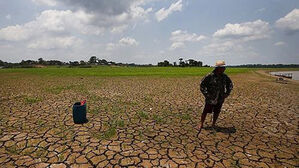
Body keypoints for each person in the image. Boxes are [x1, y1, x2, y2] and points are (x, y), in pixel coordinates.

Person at [197, 60, 233, 132]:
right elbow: (202, 85)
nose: (224, 69)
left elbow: (230, 85)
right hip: (210, 98)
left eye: (224, 67)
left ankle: (213, 124)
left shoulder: (224, 76)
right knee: (205, 111)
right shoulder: (209, 76)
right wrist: (207, 95)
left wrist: (227, 93)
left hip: (220, 98)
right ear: (218, 68)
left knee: (217, 111)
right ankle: (201, 123)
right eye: (222, 67)